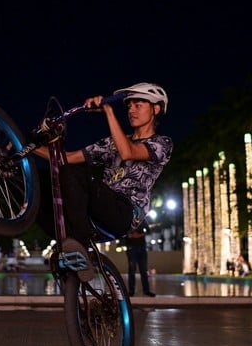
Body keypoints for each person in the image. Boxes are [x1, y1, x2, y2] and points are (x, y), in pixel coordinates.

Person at [36, 82, 173, 282]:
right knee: (42, 182)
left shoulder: (162, 143)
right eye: (129, 106)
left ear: (156, 108)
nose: (131, 110)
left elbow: (128, 152)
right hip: (98, 210)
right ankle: (69, 246)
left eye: (138, 105)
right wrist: (25, 146)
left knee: (73, 173)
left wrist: (108, 111)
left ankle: (79, 244)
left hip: (124, 213)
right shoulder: (113, 142)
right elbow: (67, 158)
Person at [125, 227, 155, 296]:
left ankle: (146, 291)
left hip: (142, 247)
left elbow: (148, 230)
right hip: (131, 247)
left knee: (144, 270)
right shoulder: (128, 219)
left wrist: (140, 234)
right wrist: (131, 235)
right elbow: (124, 232)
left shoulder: (142, 220)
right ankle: (131, 291)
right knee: (132, 270)